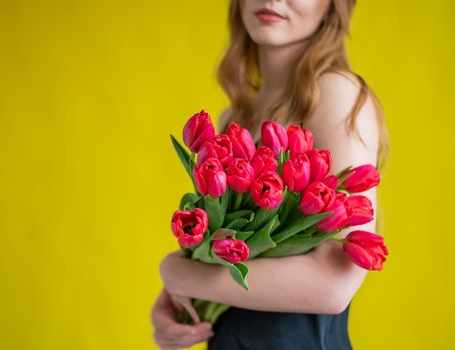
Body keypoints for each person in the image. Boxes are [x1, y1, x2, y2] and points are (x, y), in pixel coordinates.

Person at [151, 0, 390, 349]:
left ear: (333, 6)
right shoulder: (233, 117)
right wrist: (176, 305)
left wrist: (178, 273)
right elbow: (235, 255)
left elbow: (332, 286)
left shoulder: (337, 94)